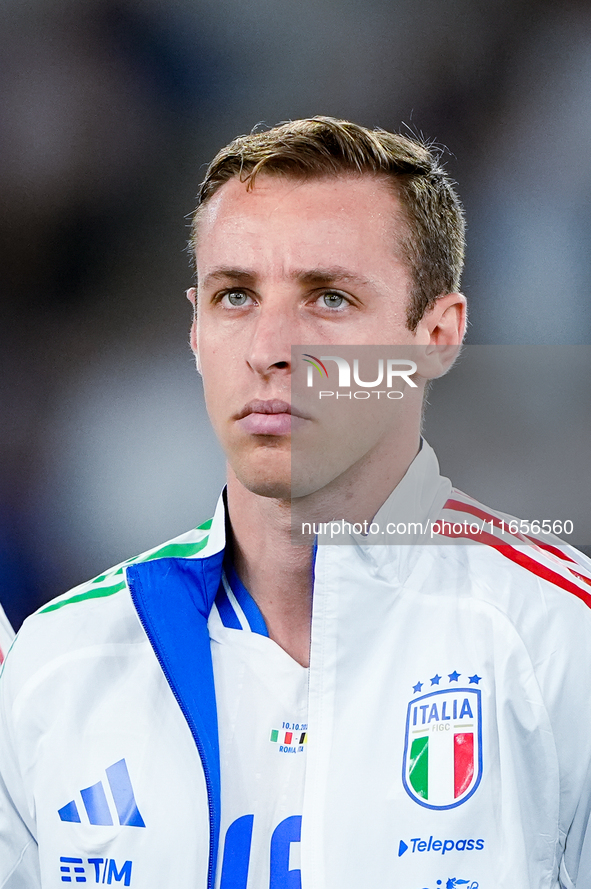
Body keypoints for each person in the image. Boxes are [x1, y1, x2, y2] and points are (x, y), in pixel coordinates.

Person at [1, 117, 590, 889]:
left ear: (437, 335)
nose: (271, 345)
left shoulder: (559, 643)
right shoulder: (62, 661)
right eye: (235, 295)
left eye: (330, 297)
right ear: (194, 329)